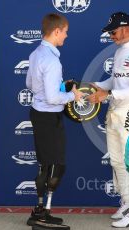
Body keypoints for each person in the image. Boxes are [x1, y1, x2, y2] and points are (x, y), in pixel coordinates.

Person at [88, 12, 129, 228]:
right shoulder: (119, 52)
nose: (110, 36)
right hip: (115, 110)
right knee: (117, 160)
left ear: (125, 28)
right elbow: (115, 81)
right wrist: (96, 86)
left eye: (113, 32)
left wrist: (108, 95)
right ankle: (127, 203)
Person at [25, 13, 83, 227]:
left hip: (38, 114)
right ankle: (42, 215)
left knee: (46, 164)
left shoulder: (35, 54)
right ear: (56, 31)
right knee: (56, 166)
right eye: (65, 32)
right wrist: (72, 95)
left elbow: (31, 84)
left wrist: (59, 85)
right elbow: (52, 98)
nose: (66, 36)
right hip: (49, 117)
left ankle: (40, 210)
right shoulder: (51, 60)